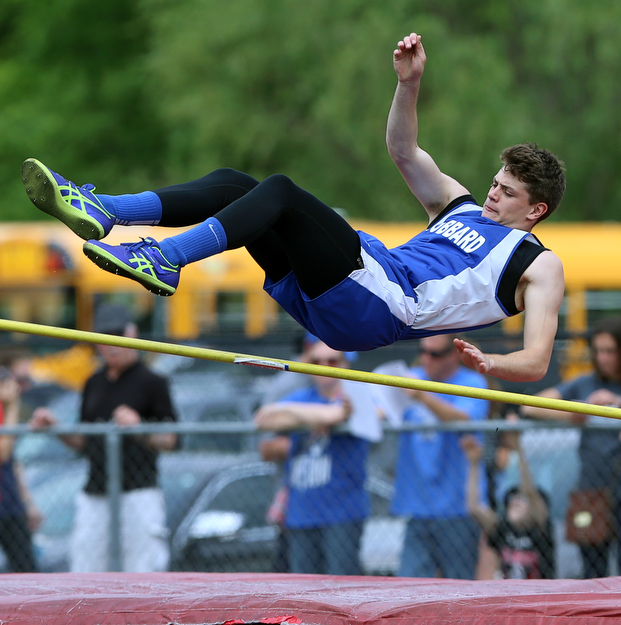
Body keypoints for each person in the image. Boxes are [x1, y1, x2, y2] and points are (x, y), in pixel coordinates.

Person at [20, 32, 566, 383]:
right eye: (495, 183)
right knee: (237, 184)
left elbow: (538, 359)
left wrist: (491, 363)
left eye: (508, 192)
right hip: (352, 286)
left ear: (536, 210)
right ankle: (105, 209)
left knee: (280, 191)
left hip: (381, 303)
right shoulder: (460, 208)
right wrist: (409, 85)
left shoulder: (537, 263)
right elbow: (403, 151)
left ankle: (164, 259)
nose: (493, 193)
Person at [29, 304, 178, 572]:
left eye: (116, 335)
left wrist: (140, 427)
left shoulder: (153, 381)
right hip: (96, 490)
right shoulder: (93, 383)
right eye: (103, 337)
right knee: (85, 567)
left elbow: (172, 440)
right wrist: (57, 427)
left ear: (131, 335)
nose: (110, 345)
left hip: (138, 490)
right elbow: (86, 443)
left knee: (142, 570)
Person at [254, 339, 370, 575]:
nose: (322, 366)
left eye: (331, 360)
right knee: (304, 594)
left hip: (343, 514)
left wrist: (296, 416)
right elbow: (263, 419)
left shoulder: (355, 395)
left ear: (346, 365)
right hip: (300, 513)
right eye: (316, 361)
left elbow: (372, 413)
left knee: (341, 591)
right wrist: (331, 415)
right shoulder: (302, 395)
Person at [521, 316, 621, 578]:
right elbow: (530, 406)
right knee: (592, 571)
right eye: (598, 351)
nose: (603, 358)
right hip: (591, 491)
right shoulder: (584, 383)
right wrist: (574, 414)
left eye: (610, 351)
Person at [390, 333, 490, 579]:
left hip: (457, 508)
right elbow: (380, 411)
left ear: (453, 356)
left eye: (434, 354)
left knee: (459, 588)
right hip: (416, 506)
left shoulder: (472, 383)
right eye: (423, 351)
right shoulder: (412, 380)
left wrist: (421, 394)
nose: (426, 359)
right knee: (410, 588)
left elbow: (463, 418)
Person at [461, 422, 555, 580]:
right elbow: (474, 508)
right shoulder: (503, 530)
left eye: (522, 500)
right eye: (513, 499)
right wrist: (474, 464)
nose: (515, 502)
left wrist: (518, 449)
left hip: (539, 597)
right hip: (509, 597)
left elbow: (529, 491)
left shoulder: (540, 529)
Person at [0, 367, 41, 572]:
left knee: (26, 570)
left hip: (9, 503)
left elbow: (12, 462)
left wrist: (28, 503)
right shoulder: (7, 409)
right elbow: (2, 453)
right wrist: (12, 405)